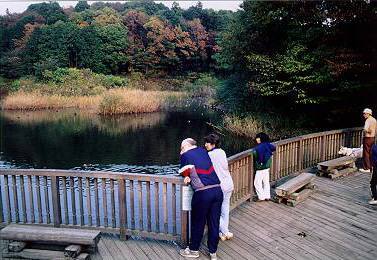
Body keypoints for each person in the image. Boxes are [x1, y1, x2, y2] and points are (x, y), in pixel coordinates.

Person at [179, 138, 223, 260]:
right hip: (218, 190)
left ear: (187, 146)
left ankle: (193, 250)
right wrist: (188, 174)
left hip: (203, 193)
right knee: (214, 223)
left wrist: (186, 175)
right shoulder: (203, 151)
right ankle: (213, 252)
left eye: (181, 147)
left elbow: (182, 171)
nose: (180, 150)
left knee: (198, 222)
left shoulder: (186, 155)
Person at [204, 133, 234, 241]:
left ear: (212, 144)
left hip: (219, 186)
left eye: (207, 142)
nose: (205, 144)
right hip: (228, 183)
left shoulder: (209, 155)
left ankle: (224, 231)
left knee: (213, 211)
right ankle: (223, 232)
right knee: (225, 209)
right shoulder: (222, 152)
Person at [252, 132, 276, 202]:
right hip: (267, 166)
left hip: (261, 167)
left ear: (260, 139)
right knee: (266, 181)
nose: (256, 139)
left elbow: (255, 155)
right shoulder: (267, 145)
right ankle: (267, 196)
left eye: (258, 138)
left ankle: (261, 197)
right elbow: (273, 148)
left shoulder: (258, 147)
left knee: (257, 182)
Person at [360, 108, 377, 173]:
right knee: (371, 153)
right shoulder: (374, 120)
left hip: (367, 138)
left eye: (364, 113)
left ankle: (367, 168)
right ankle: (371, 166)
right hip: (373, 138)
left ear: (368, 114)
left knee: (366, 153)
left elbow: (366, 129)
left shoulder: (368, 120)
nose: (363, 115)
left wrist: (365, 130)